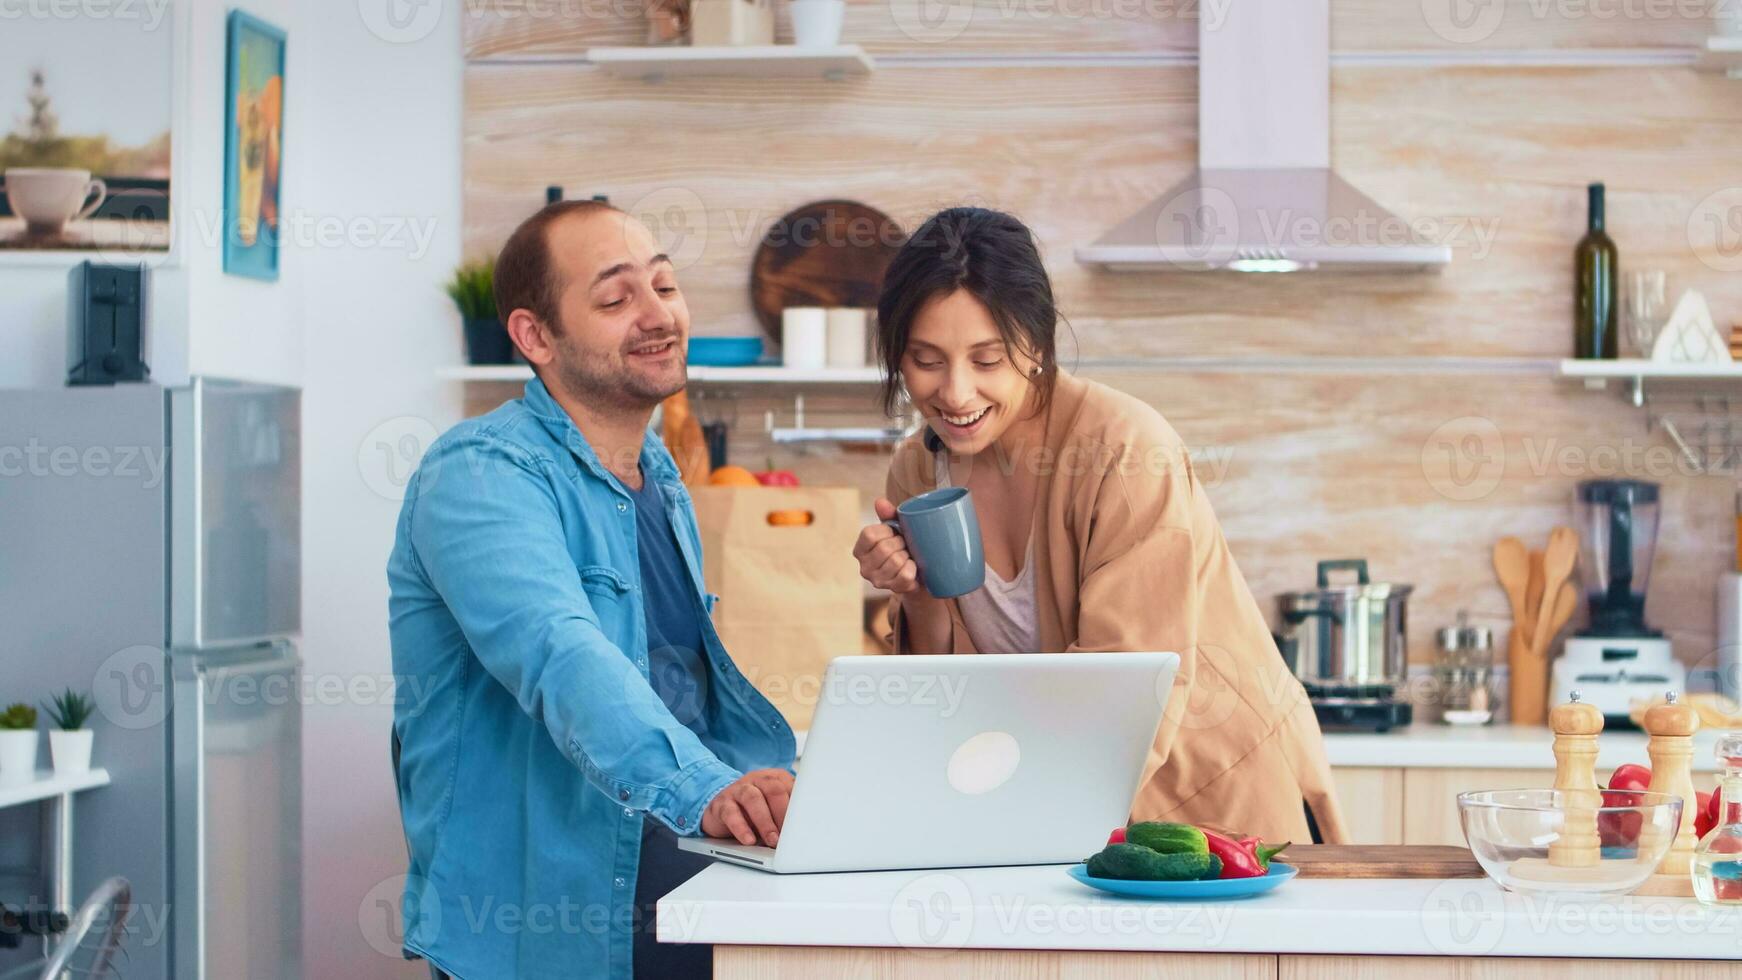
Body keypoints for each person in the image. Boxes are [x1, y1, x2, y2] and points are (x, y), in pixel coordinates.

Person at [387, 200, 796, 980]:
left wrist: (764, 782)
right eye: (615, 299)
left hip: (670, 883)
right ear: (534, 337)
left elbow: (678, 690)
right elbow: (559, 651)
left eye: (665, 286)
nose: (657, 315)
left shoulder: (661, 481)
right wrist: (709, 788)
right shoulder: (479, 474)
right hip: (552, 927)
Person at [852, 207, 1348, 844]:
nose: (955, 393)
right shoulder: (918, 471)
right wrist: (914, 593)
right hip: (1067, 812)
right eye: (925, 360)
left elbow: (1128, 680)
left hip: (1209, 806)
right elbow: (949, 692)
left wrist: (1026, 825)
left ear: (1036, 344)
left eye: (987, 359)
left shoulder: (1123, 449)